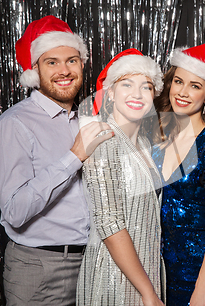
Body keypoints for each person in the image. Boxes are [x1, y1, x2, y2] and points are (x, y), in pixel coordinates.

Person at [0, 15, 112, 305]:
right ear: (35, 71)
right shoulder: (14, 124)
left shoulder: (88, 119)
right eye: (51, 62)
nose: (64, 70)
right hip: (40, 269)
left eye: (72, 60)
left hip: (94, 263)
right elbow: (15, 211)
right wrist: (74, 157)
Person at [76, 49, 165, 306]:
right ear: (111, 93)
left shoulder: (146, 144)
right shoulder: (102, 141)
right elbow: (109, 224)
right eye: (126, 84)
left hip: (145, 271)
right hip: (112, 278)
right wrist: (148, 292)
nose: (137, 94)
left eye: (146, 87)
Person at [152, 44, 205, 305]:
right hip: (162, 274)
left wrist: (203, 287)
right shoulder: (158, 141)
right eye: (179, 81)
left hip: (204, 276)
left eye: (195, 86)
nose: (183, 92)